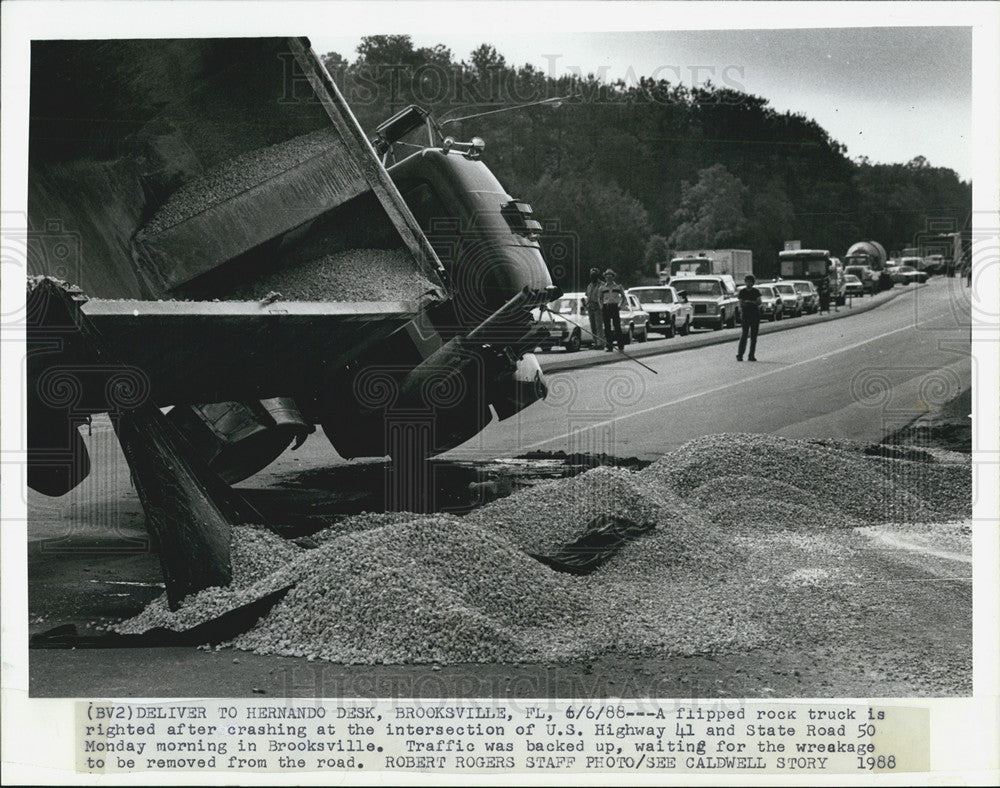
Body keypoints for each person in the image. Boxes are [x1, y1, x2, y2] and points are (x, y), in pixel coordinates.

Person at [598, 268, 627, 352]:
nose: (609, 278)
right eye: (607, 276)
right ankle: (609, 346)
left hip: (614, 307)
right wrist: (601, 306)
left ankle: (620, 345)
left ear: (613, 277)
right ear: (605, 277)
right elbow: (599, 298)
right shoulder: (602, 288)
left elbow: (624, 297)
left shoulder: (618, 286)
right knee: (607, 327)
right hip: (606, 307)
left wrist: (620, 306)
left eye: (611, 276)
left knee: (617, 326)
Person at [736, 274, 761, 361]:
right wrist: (751, 302)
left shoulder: (756, 291)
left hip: (755, 316)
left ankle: (751, 355)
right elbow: (741, 303)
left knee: (754, 337)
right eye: (747, 281)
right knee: (744, 335)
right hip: (746, 316)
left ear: (753, 283)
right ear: (745, 282)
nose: (749, 283)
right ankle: (740, 354)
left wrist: (749, 302)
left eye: (750, 282)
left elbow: (759, 302)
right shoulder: (742, 292)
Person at [584, 268, 605, 349]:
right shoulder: (589, 285)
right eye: (591, 275)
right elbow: (587, 296)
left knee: (598, 326)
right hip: (590, 307)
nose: (592, 277)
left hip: (598, 307)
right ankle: (596, 342)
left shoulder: (602, 285)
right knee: (593, 326)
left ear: (597, 276)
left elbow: (603, 297)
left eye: (594, 275)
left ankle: (601, 344)